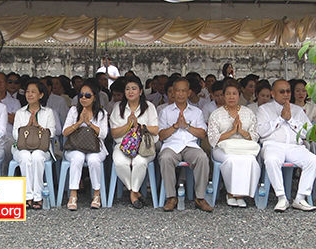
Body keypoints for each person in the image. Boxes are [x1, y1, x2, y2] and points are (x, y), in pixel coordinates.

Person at [256, 79, 316, 212]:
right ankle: (281, 197)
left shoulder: (297, 110)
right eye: (282, 91)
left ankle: (300, 198)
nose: (286, 94)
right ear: (273, 94)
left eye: (288, 91)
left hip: (294, 147)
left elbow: (308, 133)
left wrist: (290, 120)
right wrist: (280, 119)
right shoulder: (264, 109)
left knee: (313, 160)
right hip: (272, 145)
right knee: (272, 160)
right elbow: (261, 131)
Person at [158, 77, 213, 212]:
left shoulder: (196, 112)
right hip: (171, 145)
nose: (180, 94)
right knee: (165, 158)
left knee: (202, 158)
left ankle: (200, 198)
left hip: (190, 145)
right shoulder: (165, 111)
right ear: (172, 93)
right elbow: (161, 135)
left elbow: (201, 134)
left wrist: (187, 126)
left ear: (189, 93)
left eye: (183, 91)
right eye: (177, 91)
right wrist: (176, 126)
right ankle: (171, 197)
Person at [208, 79, 260, 207]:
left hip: (243, 147)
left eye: (234, 94)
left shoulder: (248, 113)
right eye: (228, 94)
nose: (231, 97)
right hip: (222, 148)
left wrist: (241, 131)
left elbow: (255, 136)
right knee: (232, 160)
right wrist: (231, 132)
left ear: (239, 95)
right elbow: (213, 139)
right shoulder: (216, 114)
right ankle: (231, 193)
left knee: (251, 160)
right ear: (224, 96)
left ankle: (241, 194)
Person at [110, 76, 159, 209]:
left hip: (144, 146)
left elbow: (155, 130)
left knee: (140, 162)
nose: (130, 91)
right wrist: (128, 125)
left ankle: (133, 192)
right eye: (127, 89)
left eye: (134, 88)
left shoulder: (149, 107)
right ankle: (135, 192)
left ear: (141, 91)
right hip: (123, 146)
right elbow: (114, 133)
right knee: (120, 162)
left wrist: (140, 126)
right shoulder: (118, 107)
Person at [62, 79, 108, 210]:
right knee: (78, 158)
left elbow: (103, 134)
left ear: (94, 98)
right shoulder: (73, 111)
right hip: (75, 146)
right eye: (81, 95)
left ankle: (96, 194)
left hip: (96, 147)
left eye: (87, 95)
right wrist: (78, 123)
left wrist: (89, 123)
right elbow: (65, 132)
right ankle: (73, 194)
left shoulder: (101, 113)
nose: (83, 98)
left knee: (93, 160)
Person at [12, 80, 56, 210]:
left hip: (42, 148)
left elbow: (52, 132)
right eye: (27, 92)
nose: (29, 95)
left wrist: (38, 127)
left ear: (41, 95)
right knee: (25, 157)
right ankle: (28, 196)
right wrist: (27, 127)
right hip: (22, 148)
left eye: (33, 92)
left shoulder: (48, 112)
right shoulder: (20, 112)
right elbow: (15, 134)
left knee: (37, 156)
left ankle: (38, 196)